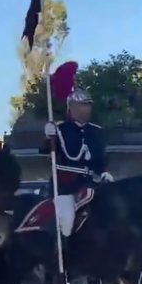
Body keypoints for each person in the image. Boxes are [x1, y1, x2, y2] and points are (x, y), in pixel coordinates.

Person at [43, 88, 113, 238]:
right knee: (67, 221)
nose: (86, 109)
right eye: (82, 105)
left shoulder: (96, 131)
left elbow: (101, 158)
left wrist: (104, 172)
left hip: (91, 184)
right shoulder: (60, 129)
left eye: (88, 105)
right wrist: (49, 138)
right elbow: (46, 151)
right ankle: (61, 253)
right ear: (72, 107)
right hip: (65, 187)